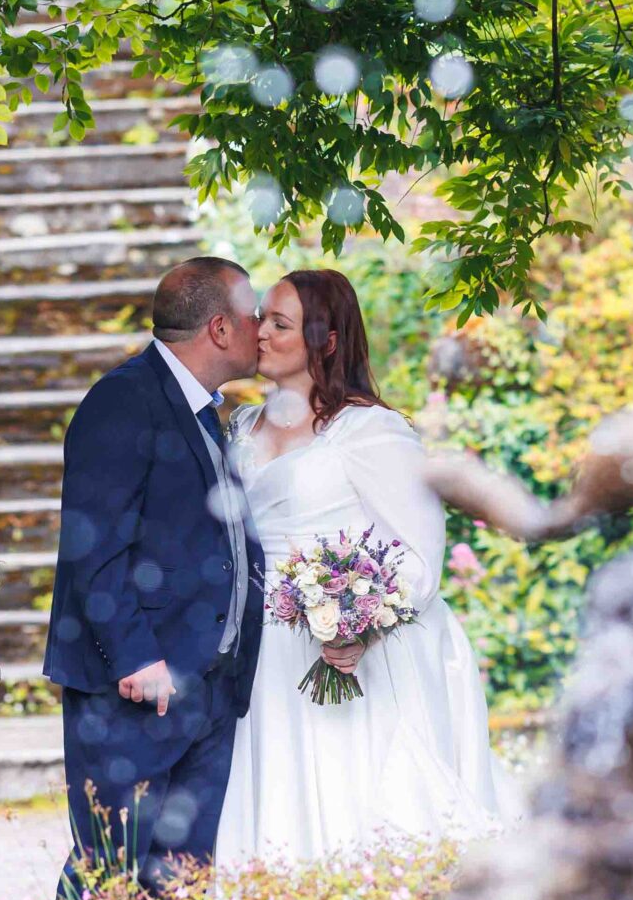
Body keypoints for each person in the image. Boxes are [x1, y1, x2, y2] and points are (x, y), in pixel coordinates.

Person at [216, 269, 509, 864]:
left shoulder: (371, 431)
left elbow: (419, 550)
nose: (260, 332)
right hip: (259, 645)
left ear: (325, 340)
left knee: (349, 791)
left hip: (346, 649)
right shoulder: (240, 427)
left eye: (280, 323)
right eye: (260, 318)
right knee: (273, 785)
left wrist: (359, 626)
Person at [44, 255, 264, 900]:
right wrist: (137, 655)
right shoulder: (123, 400)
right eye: (253, 315)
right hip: (137, 688)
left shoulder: (204, 411)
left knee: (182, 875)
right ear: (220, 329)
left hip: (208, 688)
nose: (263, 329)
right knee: (111, 861)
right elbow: (95, 549)